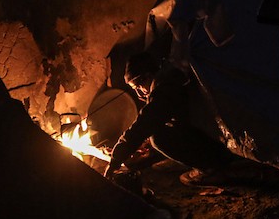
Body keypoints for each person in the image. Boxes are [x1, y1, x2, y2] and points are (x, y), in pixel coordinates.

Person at [104, 50, 243, 186]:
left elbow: (143, 125)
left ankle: (210, 169)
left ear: (147, 76)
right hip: (214, 133)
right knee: (157, 134)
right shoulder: (171, 76)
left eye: (138, 87)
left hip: (217, 139)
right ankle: (213, 162)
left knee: (158, 139)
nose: (139, 93)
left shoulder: (165, 89)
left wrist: (116, 159)